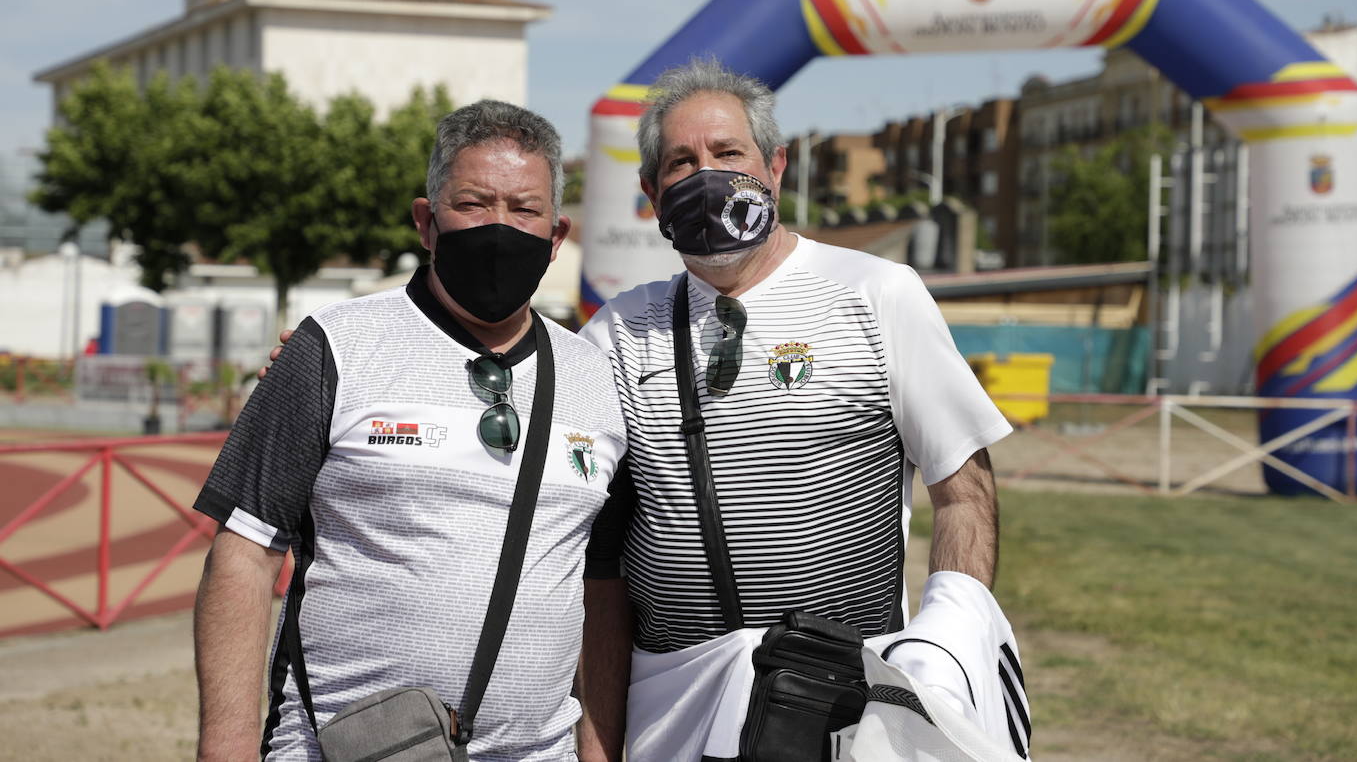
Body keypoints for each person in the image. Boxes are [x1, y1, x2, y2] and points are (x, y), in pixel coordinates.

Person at [574, 59, 1028, 761]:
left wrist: (944, 645)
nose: (706, 175)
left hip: (843, 703)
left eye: (728, 154)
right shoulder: (617, 333)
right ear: (649, 190)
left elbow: (964, 492)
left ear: (776, 166)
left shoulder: (878, 294)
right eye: (680, 162)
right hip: (673, 704)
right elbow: (594, 565)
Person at [192, 99, 627, 761]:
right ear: (427, 221)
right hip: (338, 748)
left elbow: (603, 585)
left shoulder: (596, 377)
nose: (500, 227)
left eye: (524, 209)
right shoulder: (333, 347)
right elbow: (245, 555)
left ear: (557, 235)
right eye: (474, 203)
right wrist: (224, 750)